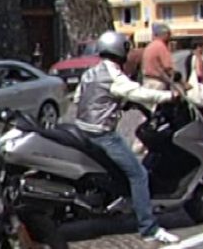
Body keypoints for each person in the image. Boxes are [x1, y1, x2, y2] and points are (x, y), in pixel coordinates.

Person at [74, 30, 181, 244]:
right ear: (119, 51)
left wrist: (115, 103)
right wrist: (170, 96)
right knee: (139, 174)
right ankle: (149, 228)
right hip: (102, 135)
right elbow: (138, 92)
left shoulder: (91, 72)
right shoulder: (113, 75)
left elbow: (79, 98)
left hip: (82, 130)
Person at [141, 23, 176, 91]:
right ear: (166, 34)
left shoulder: (149, 46)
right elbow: (168, 68)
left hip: (147, 82)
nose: (170, 38)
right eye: (169, 35)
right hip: (158, 83)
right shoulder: (161, 46)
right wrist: (182, 82)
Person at [184, 39, 203, 120]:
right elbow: (200, 73)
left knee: (194, 110)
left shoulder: (188, 58)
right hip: (199, 87)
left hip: (190, 86)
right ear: (198, 48)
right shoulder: (197, 57)